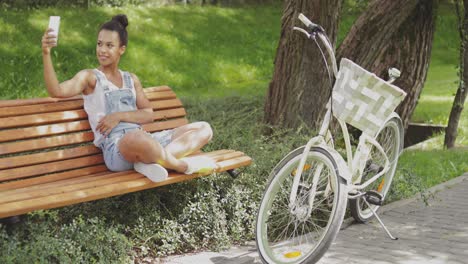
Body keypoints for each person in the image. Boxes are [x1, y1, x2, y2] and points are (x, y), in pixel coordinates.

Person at [41, 14, 217, 182]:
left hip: (144, 141)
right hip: (117, 149)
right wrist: (46, 53)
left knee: (204, 129)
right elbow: (56, 91)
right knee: (137, 138)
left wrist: (118, 116)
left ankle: (149, 162)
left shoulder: (131, 79)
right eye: (99, 44)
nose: (102, 50)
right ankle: (182, 166)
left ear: (121, 49)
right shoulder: (90, 77)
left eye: (109, 45)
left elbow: (148, 114)